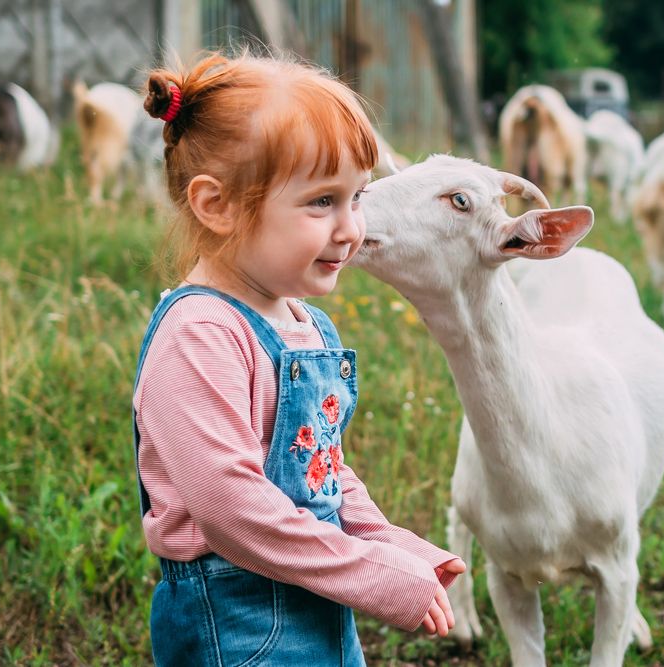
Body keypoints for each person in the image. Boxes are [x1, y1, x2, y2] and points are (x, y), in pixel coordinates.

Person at [132, 52, 465, 666]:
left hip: (319, 597)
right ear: (217, 206)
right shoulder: (201, 334)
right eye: (321, 202)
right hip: (238, 621)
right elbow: (234, 512)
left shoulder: (306, 323)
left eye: (356, 197)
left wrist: (391, 544)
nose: (350, 229)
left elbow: (320, 468)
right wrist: (370, 573)